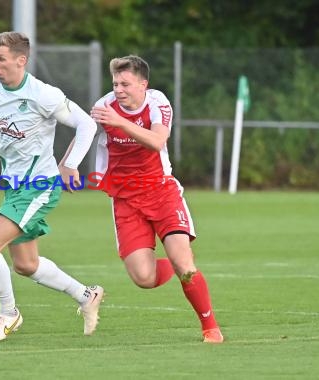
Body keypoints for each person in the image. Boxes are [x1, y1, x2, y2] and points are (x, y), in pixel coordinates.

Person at [0, 31, 104, 342]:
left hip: (39, 186)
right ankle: (86, 296)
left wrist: (70, 164)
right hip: (14, 187)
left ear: (21, 60)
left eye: (1, 59)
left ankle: (9, 314)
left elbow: (87, 124)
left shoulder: (44, 95)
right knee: (26, 265)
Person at [89, 55, 224, 343]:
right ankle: (177, 265)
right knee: (144, 279)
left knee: (185, 265)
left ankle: (210, 328)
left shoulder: (157, 102)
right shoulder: (105, 107)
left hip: (161, 192)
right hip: (125, 199)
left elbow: (157, 141)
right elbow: (84, 132)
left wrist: (120, 123)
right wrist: (69, 164)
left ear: (143, 84)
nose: (119, 89)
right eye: (115, 83)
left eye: (125, 83)